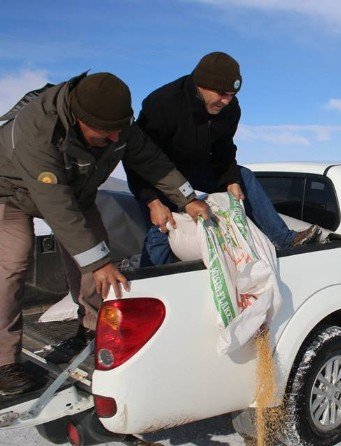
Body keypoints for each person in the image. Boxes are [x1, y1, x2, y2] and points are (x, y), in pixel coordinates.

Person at [0, 72, 209, 396]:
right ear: (79, 119)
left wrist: (189, 197)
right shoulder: (38, 130)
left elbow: (151, 161)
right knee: (11, 265)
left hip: (77, 195)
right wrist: (96, 262)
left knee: (98, 262)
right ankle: (4, 364)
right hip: (11, 194)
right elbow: (56, 204)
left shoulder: (117, 124)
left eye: (118, 131)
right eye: (105, 133)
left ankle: (91, 331)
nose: (115, 140)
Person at [125, 52, 320, 267]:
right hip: (161, 177)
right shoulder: (163, 104)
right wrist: (152, 200)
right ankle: (150, 277)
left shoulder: (229, 108)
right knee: (163, 225)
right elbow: (138, 158)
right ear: (201, 84)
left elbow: (224, 147)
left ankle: (284, 239)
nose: (226, 101)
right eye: (221, 93)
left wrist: (230, 180)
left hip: (197, 168)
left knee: (243, 176)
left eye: (232, 94)